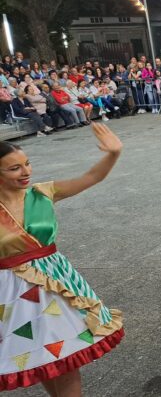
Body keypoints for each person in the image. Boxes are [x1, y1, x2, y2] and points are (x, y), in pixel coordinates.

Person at [0, 124, 124, 394]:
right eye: (15, 168)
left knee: (64, 356)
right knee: (39, 356)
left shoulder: (42, 193)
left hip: (55, 284)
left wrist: (113, 153)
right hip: (11, 292)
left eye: (27, 164)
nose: (26, 172)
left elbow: (91, 176)